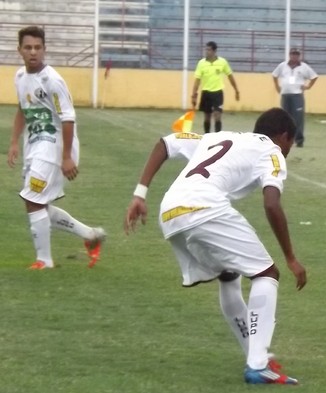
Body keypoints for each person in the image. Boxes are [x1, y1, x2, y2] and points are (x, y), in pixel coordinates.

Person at [123, 108, 306, 385]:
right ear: (283, 136)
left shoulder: (216, 137)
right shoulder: (272, 152)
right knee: (267, 274)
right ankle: (257, 365)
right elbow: (271, 203)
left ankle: (256, 357)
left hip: (170, 212)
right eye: (291, 142)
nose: (289, 149)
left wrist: (140, 194)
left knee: (229, 276)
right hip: (204, 208)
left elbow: (165, 143)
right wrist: (291, 258)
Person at [7, 25, 106, 270]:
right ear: (19, 50)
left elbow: (68, 118)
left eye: (38, 48)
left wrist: (66, 157)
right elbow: (22, 109)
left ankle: (44, 261)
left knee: (33, 200)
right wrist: (13, 143)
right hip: (35, 147)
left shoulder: (52, 80)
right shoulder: (20, 77)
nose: (33, 52)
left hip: (54, 148)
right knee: (37, 204)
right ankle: (90, 235)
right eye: (28, 47)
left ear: (44, 49)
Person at [272, 48, 318, 148]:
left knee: (298, 118)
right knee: (285, 118)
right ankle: (285, 139)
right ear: (289, 55)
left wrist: (308, 86)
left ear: (299, 56)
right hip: (285, 94)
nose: (294, 56)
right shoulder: (283, 65)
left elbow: (314, 76)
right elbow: (274, 75)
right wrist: (277, 87)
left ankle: (299, 140)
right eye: (293, 54)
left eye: (296, 54)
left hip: (297, 95)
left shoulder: (304, 67)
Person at [191, 41, 240, 133]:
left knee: (217, 115)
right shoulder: (201, 63)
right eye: (206, 49)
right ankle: (207, 136)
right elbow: (197, 80)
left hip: (218, 93)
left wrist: (236, 90)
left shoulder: (222, 62)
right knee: (207, 117)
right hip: (206, 93)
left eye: (208, 50)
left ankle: (217, 137)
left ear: (214, 51)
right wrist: (194, 95)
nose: (206, 52)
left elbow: (230, 76)